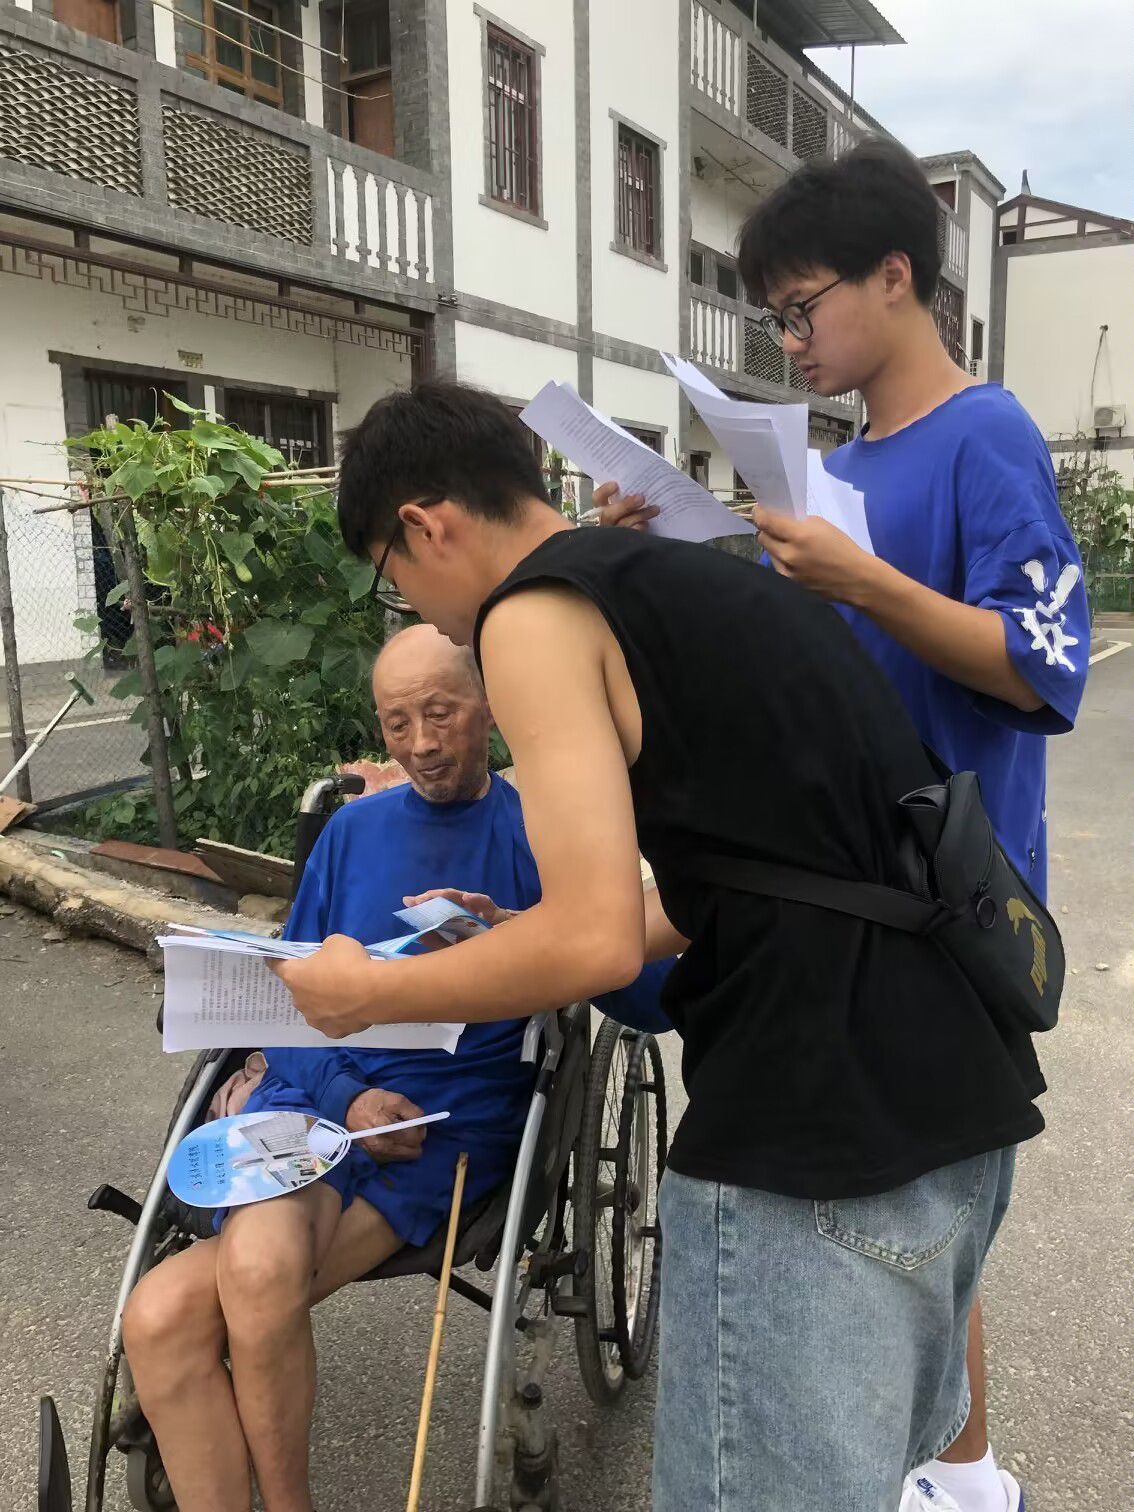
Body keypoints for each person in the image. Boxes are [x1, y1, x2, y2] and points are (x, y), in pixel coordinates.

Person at [273, 380, 1056, 1511]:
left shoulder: (529, 617)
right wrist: (519, 934)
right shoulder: (699, 588)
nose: (427, 620)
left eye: (396, 579)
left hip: (813, 1137)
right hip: (957, 1103)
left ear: (425, 525)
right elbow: (732, 882)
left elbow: (593, 944)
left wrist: (369, 991)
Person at [601, 139, 1088, 1512]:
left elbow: (1042, 666)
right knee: (902, 1205)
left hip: (942, 891)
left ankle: (964, 1476)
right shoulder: (847, 460)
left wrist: (864, 582)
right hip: (848, 888)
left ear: (895, 277)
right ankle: (951, 1468)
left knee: (923, 1194)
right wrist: (663, 545)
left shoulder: (984, 435)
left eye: (801, 307)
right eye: (775, 319)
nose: (792, 340)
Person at [123, 623, 669, 1512]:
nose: (420, 744)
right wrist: (347, 1095)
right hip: (324, 1098)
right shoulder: (351, 832)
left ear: (488, 707)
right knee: (155, 1318)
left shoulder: (539, 833)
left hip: (440, 1127)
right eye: (396, 722)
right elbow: (293, 997)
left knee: (235, 1283)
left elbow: (633, 985)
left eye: (440, 714)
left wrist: (515, 934)